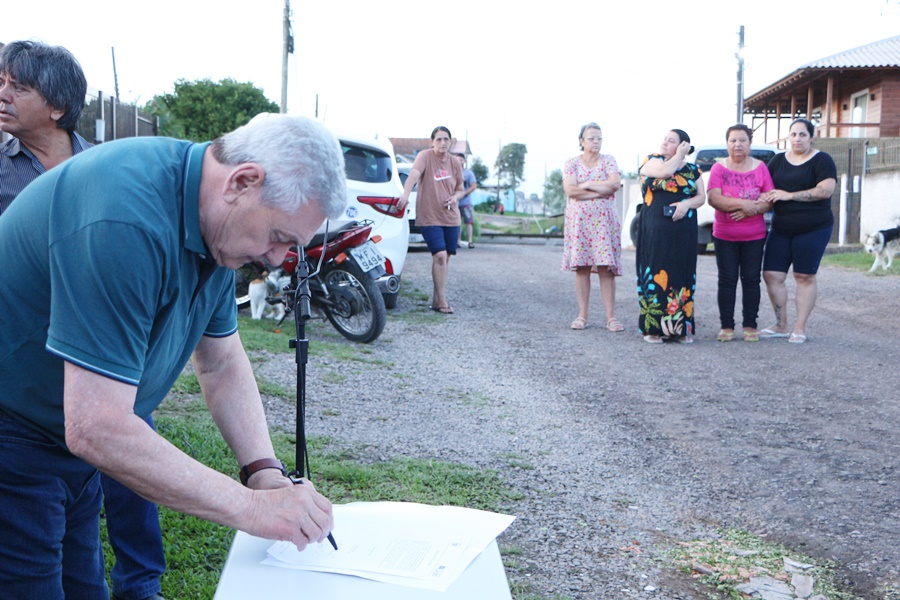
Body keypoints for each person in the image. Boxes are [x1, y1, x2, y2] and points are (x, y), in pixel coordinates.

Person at [0, 113, 345, 598]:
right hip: (15, 433)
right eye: (280, 238)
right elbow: (97, 426)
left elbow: (221, 362)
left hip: (61, 432)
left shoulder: (215, 222)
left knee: (82, 586)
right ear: (243, 182)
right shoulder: (125, 216)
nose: (274, 258)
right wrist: (252, 510)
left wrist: (263, 471)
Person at [0, 40, 167, 600]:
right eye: (2, 81)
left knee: (131, 469)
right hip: (29, 360)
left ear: (57, 105)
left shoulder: (105, 167)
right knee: (49, 510)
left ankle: (141, 583)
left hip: (105, 351)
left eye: (18, 86)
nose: (2, 93)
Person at [759, 118, 837, 344]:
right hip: (782, 227)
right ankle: (781, 324)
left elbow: (825, 191)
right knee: (772, 275)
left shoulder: (822, 160)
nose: (797, 139)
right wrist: (765, 196)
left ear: (811, 137)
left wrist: (789, 195)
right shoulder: (778, 160)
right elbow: (767, 187)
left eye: (802, 134)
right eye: (793, 134)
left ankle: (799, 327)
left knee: (804, 276)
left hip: (814, 227)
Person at [707, 124, 775, 343]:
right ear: (727, 144)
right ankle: (726, 326)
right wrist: (746, 204)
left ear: (749, 143)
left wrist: (752, 209)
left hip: (754, 235)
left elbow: (768, 200)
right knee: (727, 280)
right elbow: (715, 199)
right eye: (733, 140)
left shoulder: (761, 167)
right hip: (725, 235)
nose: (737, 144)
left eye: (742, 140)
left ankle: (750, 326)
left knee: (751, 280)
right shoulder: (719, 169)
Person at [636, 129, 706, 343]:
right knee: (655, 270)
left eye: (671, 141)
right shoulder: (652, 161)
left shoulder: (694, 171)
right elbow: (665, 173)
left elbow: (701, 197)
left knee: (682, 272)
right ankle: (653, 328)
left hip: (683, 229)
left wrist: (686, 204)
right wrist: (678, 156)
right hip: (654, 229)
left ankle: (680, 329)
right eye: (665, 139)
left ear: (683, 145)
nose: (665, 142)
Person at [560, 122, 624, 332]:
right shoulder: (571, 164)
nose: (596, 142)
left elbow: (614, 184)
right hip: (580, 223)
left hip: (604, 223)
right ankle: (582, 315)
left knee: (606, 269)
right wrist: (598, 192)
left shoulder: (608, 161)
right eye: (591, 138)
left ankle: (611, 317)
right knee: (582, 268)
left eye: (599, 138)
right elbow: (571, 191)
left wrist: (586, 185)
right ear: (581, 141)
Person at [397, 126, 464, 314]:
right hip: (429, 216)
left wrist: (455, 198)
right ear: (432, 142)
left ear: (450, 142)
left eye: (446, 139)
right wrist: (405, 194)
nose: (443, 143)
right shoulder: (425, 156)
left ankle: (436, 299)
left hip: (451, 217)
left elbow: (460, 188)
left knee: (445, 258)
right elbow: (414, 175)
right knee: (440, 256)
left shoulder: (455, 163)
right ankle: (442, 301)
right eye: (439, 140)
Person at [455, 152, 477, 248]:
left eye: (461, 159)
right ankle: (457, 241)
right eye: (457, 159)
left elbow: (473, 186)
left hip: (465, 202)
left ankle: (470, 241)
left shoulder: (468, 173)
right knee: (457, 222)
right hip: (455, 202)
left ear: (464, 161)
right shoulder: (452, 172)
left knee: (468, 222)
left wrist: (464, 194)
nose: (459, 161)